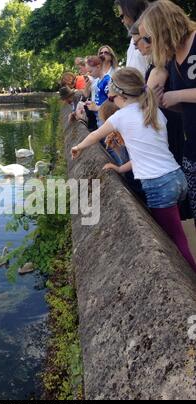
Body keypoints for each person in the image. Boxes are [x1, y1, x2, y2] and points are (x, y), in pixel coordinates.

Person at [71, 68, 196, 271]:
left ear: (117, 94)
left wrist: (77, 147)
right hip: (177, 178)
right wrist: (120, 168)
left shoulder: (120, 117)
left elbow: (94, 136)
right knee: (176, 234)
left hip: (159, 185)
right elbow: (146, 153)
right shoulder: (153, 111)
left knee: (175, 240)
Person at [141, 0, 196, 225]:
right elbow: (185, 108)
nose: (147, 43)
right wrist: (164, 102)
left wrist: (178, 95)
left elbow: (183, 96)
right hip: (192, 147)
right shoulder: (172, 59)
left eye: (148, 38)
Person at [114, 0, 149, 77]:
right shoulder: (132, 40)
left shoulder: (150, 36)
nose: (122, 21)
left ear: (131, 12)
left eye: (122, 16)